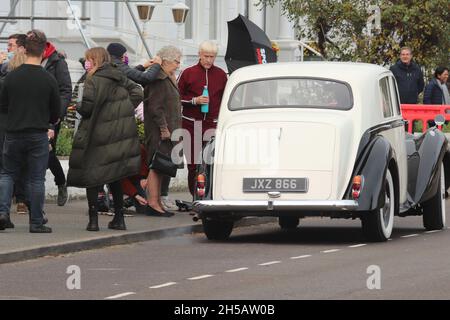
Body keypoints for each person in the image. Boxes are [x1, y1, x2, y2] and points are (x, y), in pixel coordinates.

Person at [67, 47, 143, 231]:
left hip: (97, 134)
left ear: (94, 60)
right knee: (115, 175)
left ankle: (93, 222)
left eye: (88, 59)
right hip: (117, 134)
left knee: (92, 175)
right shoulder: (118, 75)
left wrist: (78, 106)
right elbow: (138, 92)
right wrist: (121, 112)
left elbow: (87, 109)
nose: (86, 63)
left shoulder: (92, 80)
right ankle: (119, 219)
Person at [0, 30, 60, 232]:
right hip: (37, 134)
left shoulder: (11, 77)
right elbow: (56, 112)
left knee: (7, 174)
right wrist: (48, 121)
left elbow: (4, 105)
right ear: (43, 52)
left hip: (14, 132)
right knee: (36, 178)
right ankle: (36, 222)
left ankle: (2, 213)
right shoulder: (48, 79)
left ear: (25, 51)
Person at [177, 41, 228, 196]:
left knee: (212, 163)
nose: (209, 60)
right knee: (193, 164)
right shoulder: (188, 73)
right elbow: (176, 97)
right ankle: (195, 197)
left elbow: (226, 99)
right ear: (199, 54)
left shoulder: (221, 74)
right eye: (206, 56)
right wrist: (194, 100)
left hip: (212, 125)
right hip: (191, 125)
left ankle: (211, 195)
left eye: (212, 57)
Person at [144, 45, 183, 216]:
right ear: (166, 60)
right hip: (160, 131)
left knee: (161, 167)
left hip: (168, 130)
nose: (178, 65)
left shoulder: (167, 77)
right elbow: (155, 107)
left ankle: (157, 201)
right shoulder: (159, 79)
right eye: (176, 61)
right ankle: (153, 203)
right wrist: (163, 128)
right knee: (156, 166)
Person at [41, 34, 72, 206]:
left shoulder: (57, 62)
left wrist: (57, 115)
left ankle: (60, 182)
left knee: (47, 151)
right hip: (33, 113)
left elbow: (66, 90)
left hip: (51, 116)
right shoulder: (29, 60)